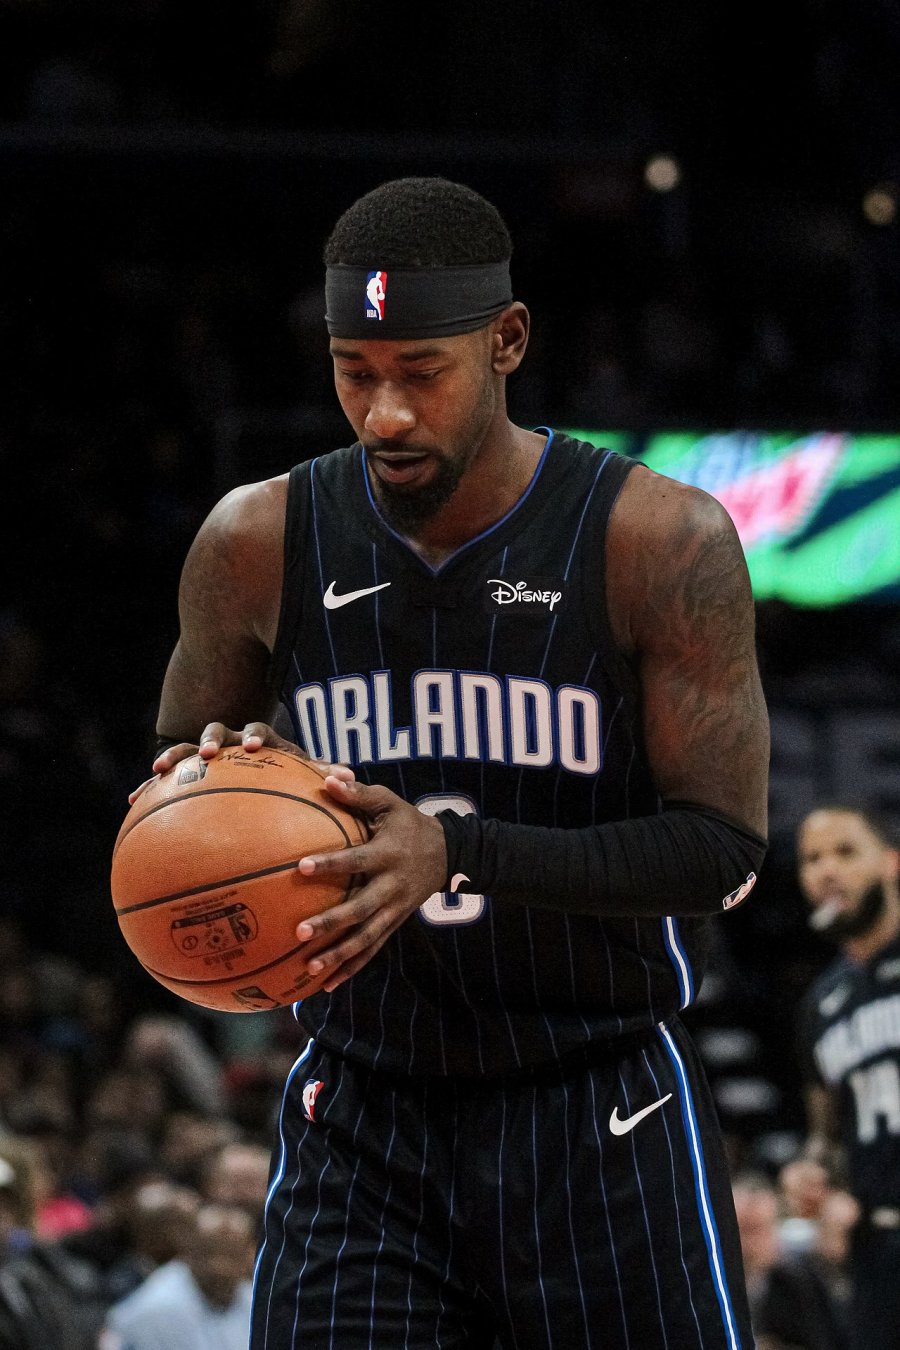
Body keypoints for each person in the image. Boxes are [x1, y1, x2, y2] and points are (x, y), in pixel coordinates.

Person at [141, 176, 770, 1347]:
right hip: (364, 1108)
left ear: (507, 341)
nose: (383, 413)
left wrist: (459, 851)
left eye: (420, 371)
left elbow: (720, 853)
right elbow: (176, 782)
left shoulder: (654, 539)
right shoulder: (252, 542)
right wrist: (220, 782)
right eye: (354, 371)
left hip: (599, 1100)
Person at [795, 805, 900, 1350]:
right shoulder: (820, 1006)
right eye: (812, 859)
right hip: (876, 1255)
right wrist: (812, 1172)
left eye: (845, 851)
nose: (827, 870)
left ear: (891, 862)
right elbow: (827, 1136)